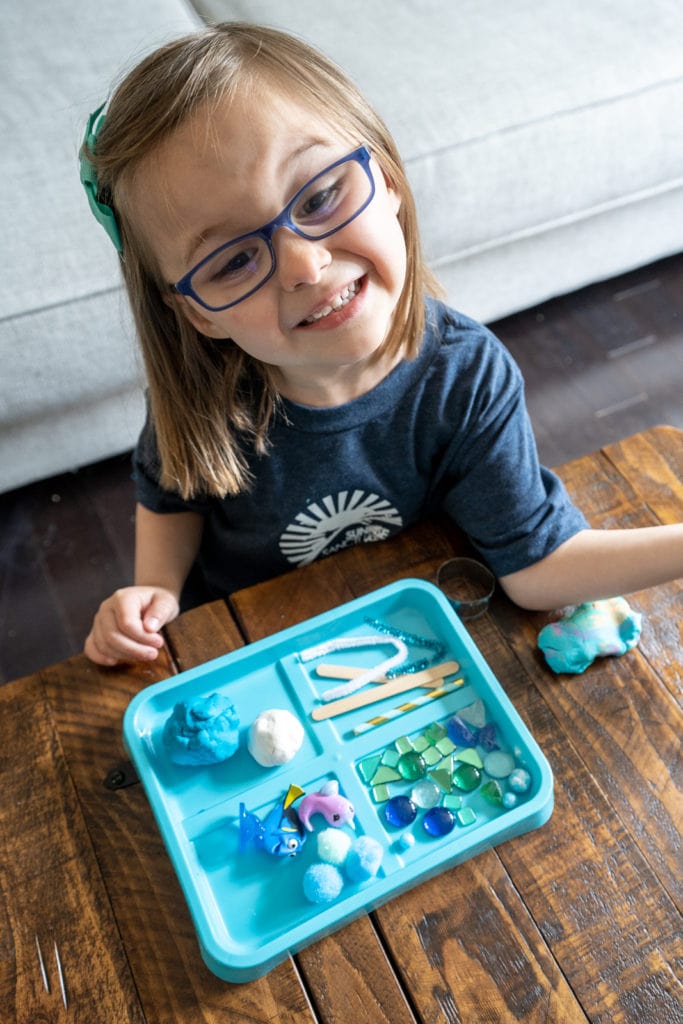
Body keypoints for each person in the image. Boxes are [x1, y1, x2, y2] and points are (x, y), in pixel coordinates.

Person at [80, 22, 682, 666]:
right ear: (196, 314)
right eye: (233, 262)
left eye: (319, 195)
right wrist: (154, 590)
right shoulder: (204, 396)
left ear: (387, 177)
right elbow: (173, 495)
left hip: (406, 644)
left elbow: (537, 568)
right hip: (250, 648)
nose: (305, 267)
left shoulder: (466, 378)